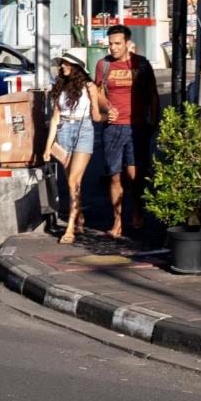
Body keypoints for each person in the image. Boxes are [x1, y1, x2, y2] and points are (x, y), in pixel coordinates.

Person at [96, 24, 160, 237]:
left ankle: (137, 209)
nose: (113, 48)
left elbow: (153, 93)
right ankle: (117, 221)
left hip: (137, 126)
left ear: (127, 44)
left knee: (134, 175)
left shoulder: (141, 65)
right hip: (112, 128)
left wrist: (154, 120)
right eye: (110, 44)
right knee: (114, 176)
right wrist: (106, 110)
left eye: (117, 44)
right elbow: (97, 94)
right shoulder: (103, 66)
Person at [43, 53, 106, 245]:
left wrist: (107, 117)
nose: (62, 67)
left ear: (76, 67)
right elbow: (55, 118)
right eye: (62, 64)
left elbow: (95, 115)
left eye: (66, 64)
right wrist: (47, 147)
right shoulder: (60, 86)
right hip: (63, 132)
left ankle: (70, 228)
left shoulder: (90, 87)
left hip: (84, 130)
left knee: (72, 181)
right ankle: (79, 216)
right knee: (73, 182)